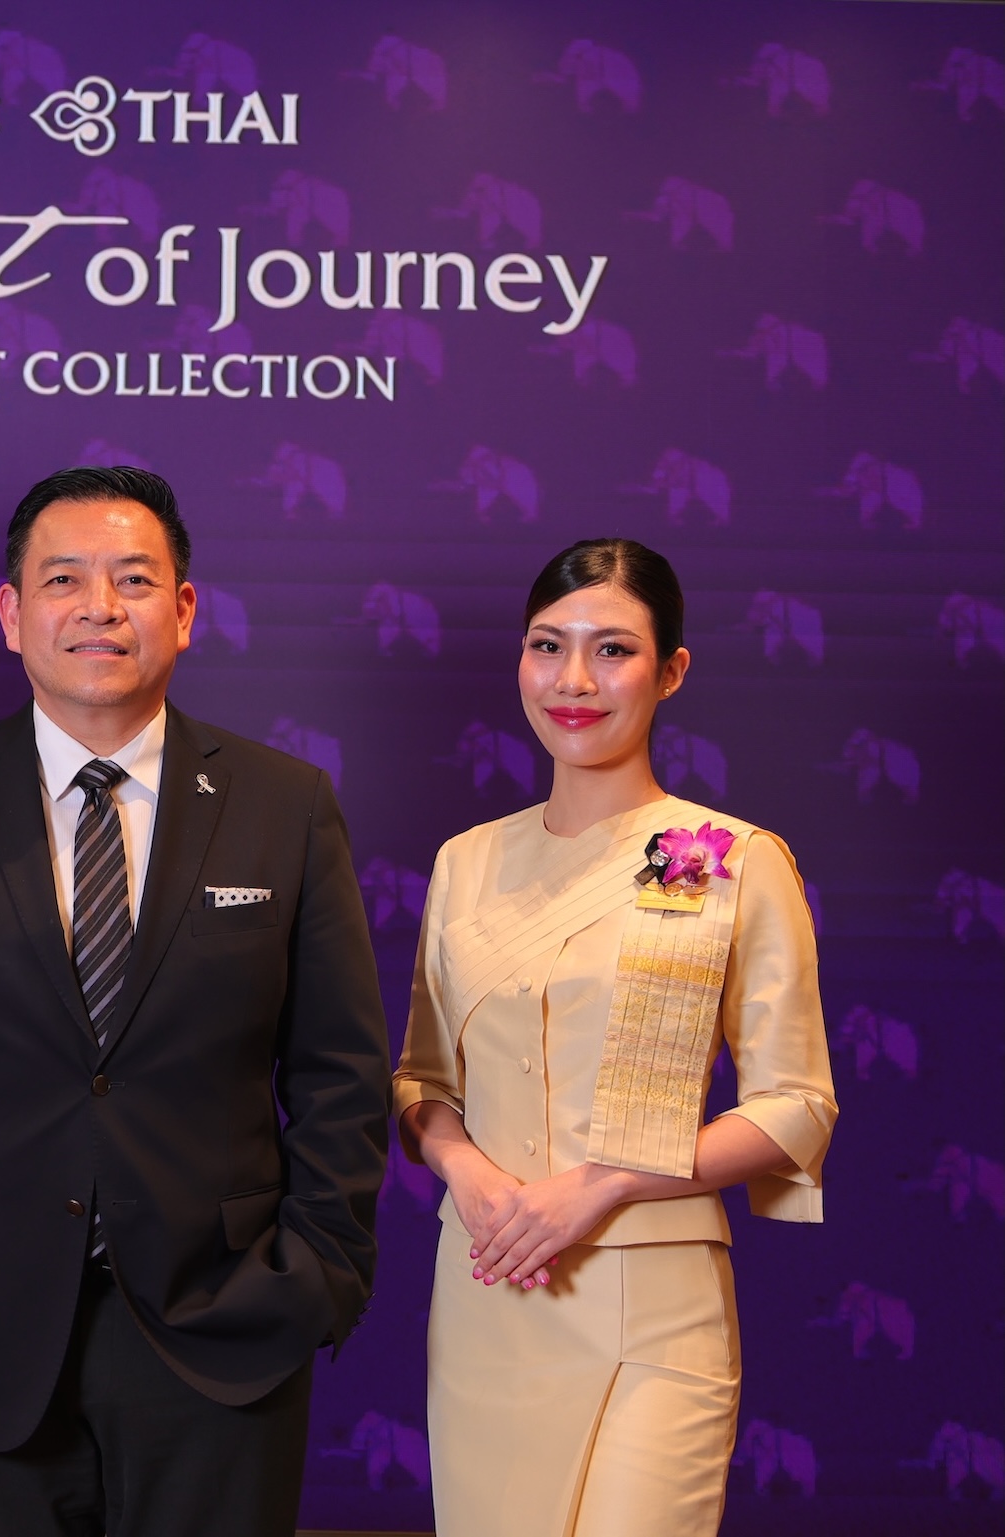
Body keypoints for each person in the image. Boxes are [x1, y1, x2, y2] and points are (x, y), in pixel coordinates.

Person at [0, 466, 389, 1537]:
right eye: (63, 578)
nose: (99, 607)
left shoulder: (283, 804)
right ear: (10, 613)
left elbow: (340, 1073)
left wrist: (316, 1275)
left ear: (185, 609)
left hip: (225, 1332)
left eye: (133, 578)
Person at [393, 538, 838, 1537]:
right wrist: (464, 1169)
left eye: (613, 650)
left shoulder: (729, 857)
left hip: (650, 1299)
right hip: (488, 1281)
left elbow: (796, 1105)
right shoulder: (465, 861)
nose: (574, 681)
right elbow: (421, 1079)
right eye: (547, 646)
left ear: (670, 670)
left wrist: (599, 1183)